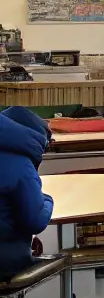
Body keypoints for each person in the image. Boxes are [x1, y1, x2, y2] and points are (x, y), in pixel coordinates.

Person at [0, 106, 53, 281]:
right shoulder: (21, 165)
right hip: (5, 262)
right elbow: (34, 221)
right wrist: (47, 200)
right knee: (65, 259)